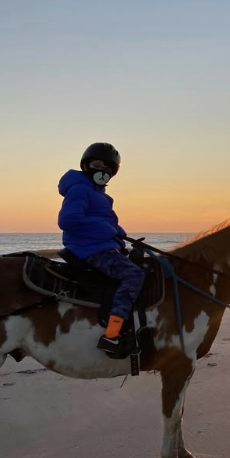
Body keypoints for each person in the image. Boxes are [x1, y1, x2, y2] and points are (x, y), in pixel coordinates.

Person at [58, 142, 145, 356]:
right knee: (134, 275)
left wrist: (121, 234)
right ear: (86, 165)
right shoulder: (79, 189)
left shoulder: (100, 195)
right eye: (98, 164)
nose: (103, 170)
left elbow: (104, 222)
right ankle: (111, 335)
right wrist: (108, 230)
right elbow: (68, 219)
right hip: (90, 249)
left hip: (102, 245)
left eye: (108, 168)